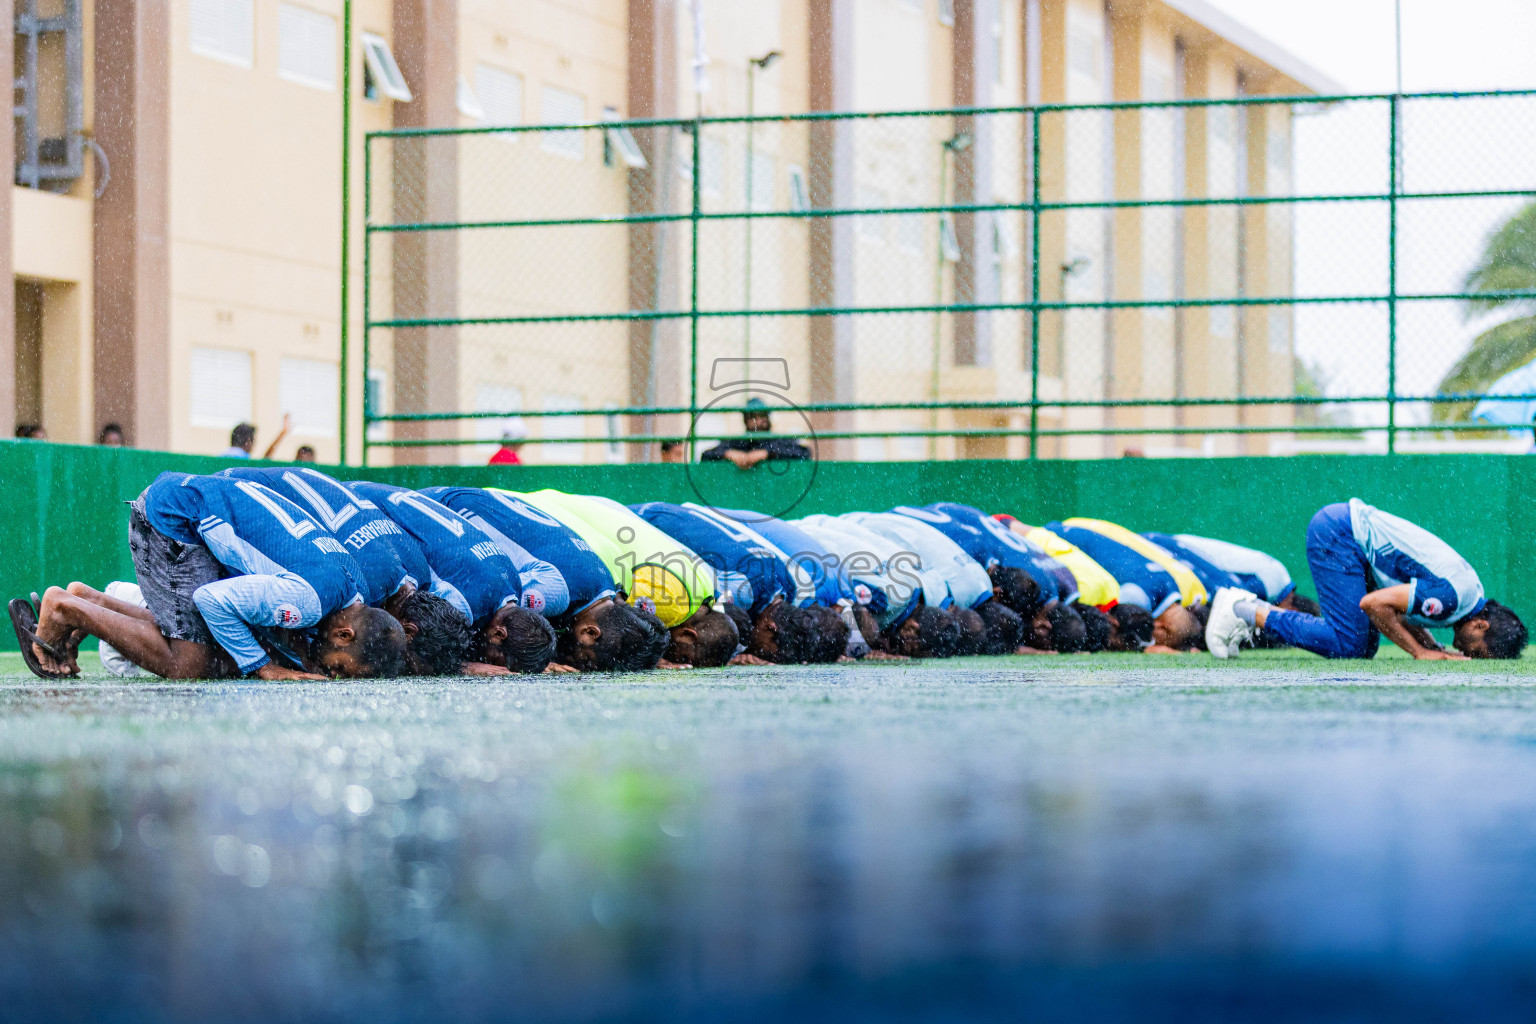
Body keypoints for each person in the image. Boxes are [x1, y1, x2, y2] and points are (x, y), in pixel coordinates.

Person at [10, 472, 406, 680]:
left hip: (197, 510)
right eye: (340, 668)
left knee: (204, 644)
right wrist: (261, 667)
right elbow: (212, 600)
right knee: (189, 663)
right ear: (345, 634)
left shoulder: (350, 584)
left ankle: (89, 600)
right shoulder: (306, 602)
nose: (331, 673)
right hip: (174, 519)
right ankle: (64, 609)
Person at [1206, 498, 1528, 661]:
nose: (1471, 657)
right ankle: (1244, 609)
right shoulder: (1451, 600)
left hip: (1346, 532)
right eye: (1480, 652)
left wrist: (1429, 644)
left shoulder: (1469, 596)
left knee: (1362, 649)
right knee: (1348, 644)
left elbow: (1398, 605)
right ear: (1481, 626)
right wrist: (1420, 652)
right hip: (1340, 533)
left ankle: (1248, 612)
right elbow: (1374, 604)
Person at [221, 467, 468, 675]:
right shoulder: (363, 585)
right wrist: (301, 661)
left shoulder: (415, 569)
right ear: (404, 630)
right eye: (402, 660)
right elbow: (294, 613)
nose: (392, 662)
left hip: (253, 485)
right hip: (232, 496)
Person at [421, 486, 668, 673]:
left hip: (468, 499)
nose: (580, 666)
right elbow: (492, 612)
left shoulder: (601, 580)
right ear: (590, 633)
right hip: (440, 506)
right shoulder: (553, 593)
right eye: (587, 661)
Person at [347, 481, 556, 673]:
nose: (492, 665)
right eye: (497, 662)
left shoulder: (512, 583)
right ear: (499, 634)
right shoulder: (461, 604)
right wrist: (463, 667)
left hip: (374, 494)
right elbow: (417, 635)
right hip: (359, 502)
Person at [512, 489, 724, 668]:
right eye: (684, 658)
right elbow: (615, 624)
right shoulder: (669, 604)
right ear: (688, 635)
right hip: (550, 509)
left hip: (576, 507)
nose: (677, 660)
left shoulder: (709, 587)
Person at [630, 500, 848, 664]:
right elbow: (704, 623)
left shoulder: (787, 584)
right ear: (770, 627)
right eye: (768, 651)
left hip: (674, 512)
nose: (759, 653)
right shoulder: (742, 592)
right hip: (642, 518)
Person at [1047, 519, 1205, 653]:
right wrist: (1144, 648)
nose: (1154, 641)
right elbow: (1109, 624)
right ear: (1163, 627)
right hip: (1055, 540)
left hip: (1072, 529)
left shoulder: (1173, 583)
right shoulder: (1137, 595)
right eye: (1160, 640)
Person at [699, 397, 811, 469]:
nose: (758, 422)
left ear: (767, 418)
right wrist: (729, 454)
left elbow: (804, 453)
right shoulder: (739, 442)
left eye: (762, 416)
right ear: (745, 420)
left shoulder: (777, 441)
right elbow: (706, 456)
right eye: (752, 417)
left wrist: (766, 453)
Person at [222, 414, 291, 460]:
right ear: (248, 441)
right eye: (254, 441)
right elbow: (263, 464)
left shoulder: (222, 456)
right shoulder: (242, 458)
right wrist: (282, 434)